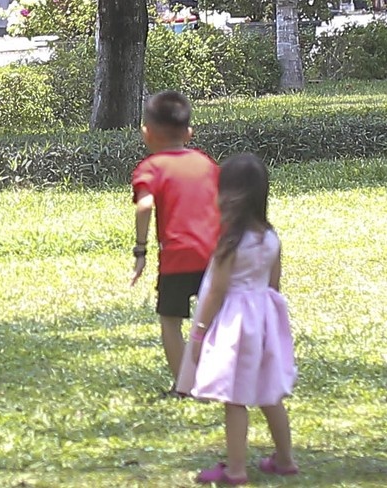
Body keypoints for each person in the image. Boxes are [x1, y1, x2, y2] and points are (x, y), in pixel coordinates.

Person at [176, 153, 298, 483]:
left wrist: (200, 335)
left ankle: (236, 469)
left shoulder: (229, 242)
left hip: (234, 325)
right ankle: (285, 459)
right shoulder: (271, 238)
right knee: (270, 395)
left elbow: (215, 292)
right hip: (264, 322)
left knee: (235, 399)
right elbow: (274, 285)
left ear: (231, 195)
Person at [131, 89, 221, 384]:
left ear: (147, 133)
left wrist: (140, 251)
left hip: (176, 258)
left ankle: (186, 386)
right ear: (189, 132)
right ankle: (218, 378)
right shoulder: (207, 164)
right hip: (215, 256)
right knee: (213, 321)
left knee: (171, 323)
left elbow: (144, 206)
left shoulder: (151, 168)